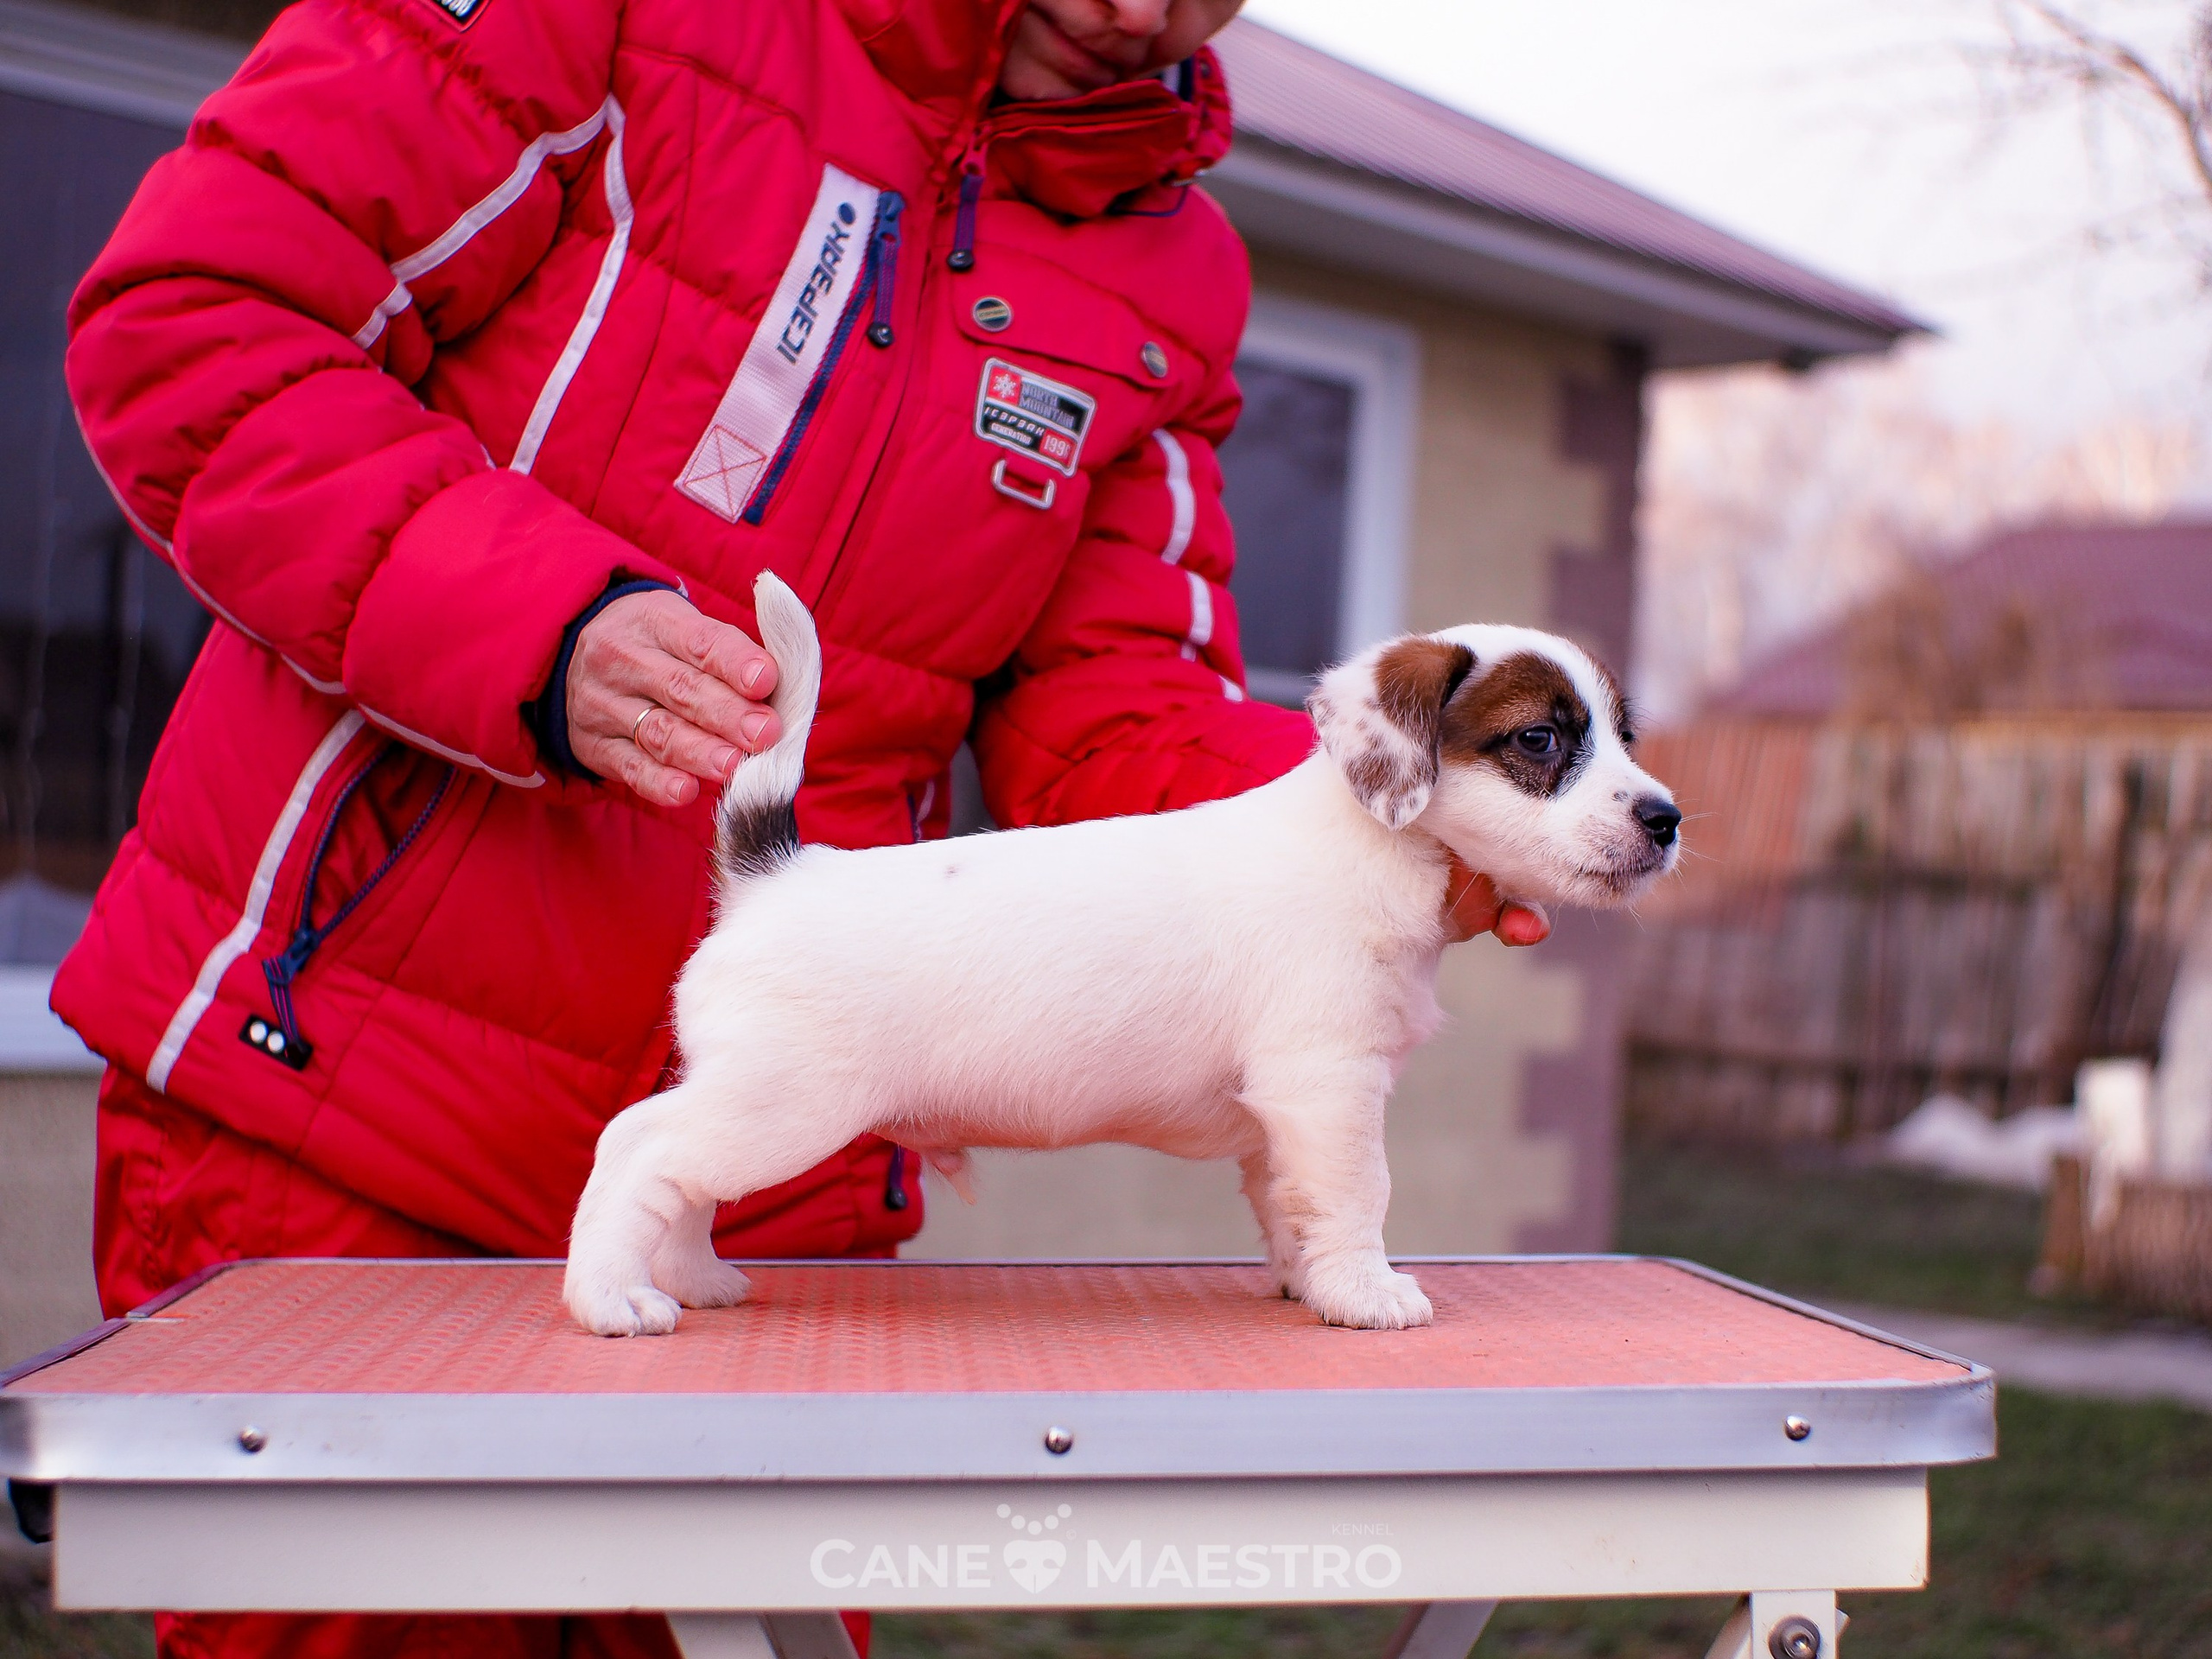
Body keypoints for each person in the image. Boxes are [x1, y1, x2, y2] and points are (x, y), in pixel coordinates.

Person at [55, 0, 1544, 1652]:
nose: (1143, 13)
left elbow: (1119, 703)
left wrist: (1378, 835)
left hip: (778, 1204)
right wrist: (532, 620)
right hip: (340, 1114)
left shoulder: (1173, 272)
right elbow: (196, 318)